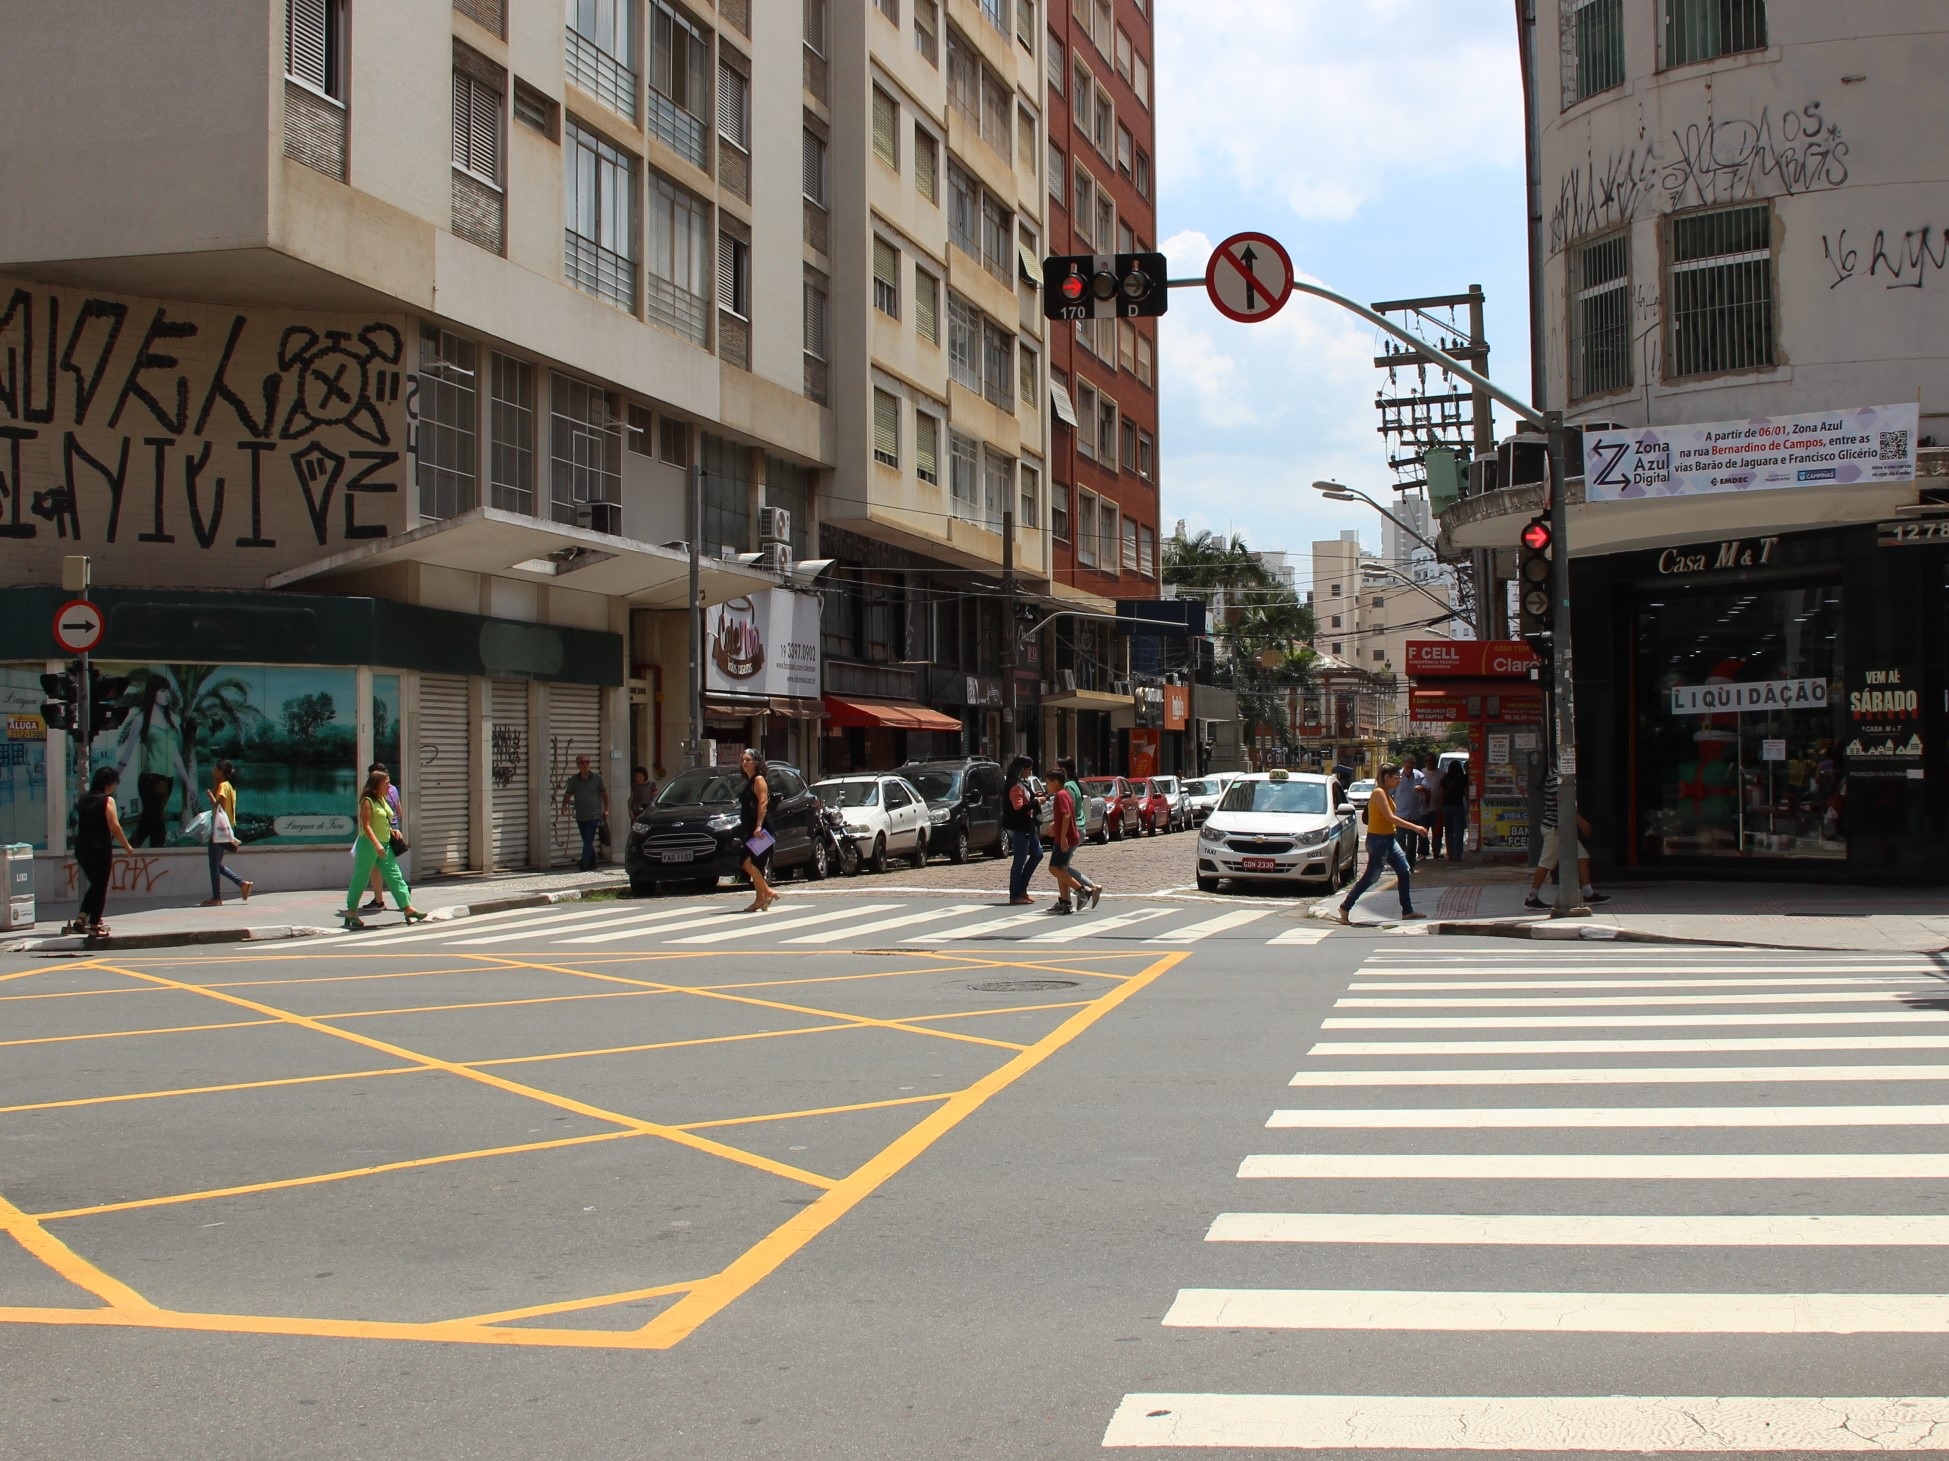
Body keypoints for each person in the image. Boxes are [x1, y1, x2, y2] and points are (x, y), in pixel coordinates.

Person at [1336, 763, 1427, 925]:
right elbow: (1390, 818)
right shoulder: (1378, 793)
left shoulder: (1387, 793)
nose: (1399, 780)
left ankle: (1407, 910)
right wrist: (1415, 827)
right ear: (1387, 777)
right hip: (1378, 840)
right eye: (1396, 778)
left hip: (1389, 839)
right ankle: (1345, 906)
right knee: (1371, 877)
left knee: (1404, 870)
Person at [342, 768, 424, 930]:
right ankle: (351, 912)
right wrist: (376, 844)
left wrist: (393, 830)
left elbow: (388, 819)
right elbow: (366, 825)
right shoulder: (367, 801)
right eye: (386, 783)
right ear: (377, 784)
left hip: (385, 843)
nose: (389, 785)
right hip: (369, 844)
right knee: (361, 877)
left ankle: (407, 908)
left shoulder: (382, 799)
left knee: (395, 876)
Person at [116, 679, 193, 848]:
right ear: (153, 693)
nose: (166, 695)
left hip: (168, 779)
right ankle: (145, 856)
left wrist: (188, 781)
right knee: (156, 821)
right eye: (162, 691)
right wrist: (116, 777)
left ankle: (131, 854)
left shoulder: (172, 720)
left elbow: (174, 754)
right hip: (151, 778)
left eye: (167, 691)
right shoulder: (141, 719)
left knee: (149, 822)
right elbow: (128, 750)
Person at [1525, 767, 1612, 909]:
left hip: (1564, 829)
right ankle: (1531, 898)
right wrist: (1581, 822)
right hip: (1555, 829)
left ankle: (1588, 893)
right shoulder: (1555, 775)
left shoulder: (1564, 774)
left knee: (1582, 857)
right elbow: (1562, 802)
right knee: (1546, 864)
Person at [70, 765, 135, 939]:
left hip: (82, 848)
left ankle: (82, 918)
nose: (115, 786)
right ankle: (94, 925)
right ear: (109, 783)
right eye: (115, 782)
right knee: (100, 887)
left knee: (96, 885)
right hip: (100, 848)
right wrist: (127, 845)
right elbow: (114, 825)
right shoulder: (107, 800)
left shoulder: (83, 799)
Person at [1047, 757, 1103, 913]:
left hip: (1072, 831)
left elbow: (1066, 812)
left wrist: (1061, 832)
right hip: (1073, 830)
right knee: (1062, 868)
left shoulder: (1067, 789)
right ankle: (1066, 901)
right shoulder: (1071, 786)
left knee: (1057, 868)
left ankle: (1084, 890)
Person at [202, 759, 252, 906]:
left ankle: (217, 897)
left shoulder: (223, 786)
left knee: (214, 865)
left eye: (215, 770)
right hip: (226, 828)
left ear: (221, 772)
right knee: (217, 864)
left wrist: (212, 796)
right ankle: (242, 883)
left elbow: (220, 809)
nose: (213, 772)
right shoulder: (229, 786)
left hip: (220, 830)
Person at [737, 749, 778, 913]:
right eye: (743, 760)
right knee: (756, 864)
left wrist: (759, 826)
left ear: (756, 762)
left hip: (762, 831)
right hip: (752, 830)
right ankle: (760, 899)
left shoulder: (759, 779)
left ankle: (767, 892)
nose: (744, 763)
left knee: (745, 862)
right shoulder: (749, 780)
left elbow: (762, 803)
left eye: (748, 760)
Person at [362, 761, 403, 913]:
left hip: (382, 831)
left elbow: (368, 822)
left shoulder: (375, 794)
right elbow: (399, 811)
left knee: (379, 867)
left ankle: (380, 899)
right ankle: (399, 897)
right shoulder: (393, 789)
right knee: (390, 867)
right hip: (393, 828)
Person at [1002, 755, 1044, 905]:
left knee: (1037, 854)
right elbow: (1018, 807)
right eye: (1028, 770)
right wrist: (1035, 802)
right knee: (1019, 860)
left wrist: (1036, 797)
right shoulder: (1014, 784)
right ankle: (1015, 894)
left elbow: (1028, 798)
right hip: (1018, 826)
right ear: (1022, 769)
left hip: (1027, 825)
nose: (1029, 773)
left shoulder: (1022, 783)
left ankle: (1022, 889)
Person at [560, 754, 610, 871]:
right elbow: (568, 794)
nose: (585, 764)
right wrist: (564, 805)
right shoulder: (574, 780)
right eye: (582, 762)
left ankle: (584, 861)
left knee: (588, 838)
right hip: (581, 815)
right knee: (586, 840)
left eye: (587, 762)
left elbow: (604, 794)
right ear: (578, 765)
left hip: (594, 814)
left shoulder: (597, 778)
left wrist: (606, 809)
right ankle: (593, 862)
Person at [1393, 755, 1430, 867]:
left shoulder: (1419, 776)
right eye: (1406, 767)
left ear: (1414, 766)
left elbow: (1427, 790)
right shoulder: (1396, 776)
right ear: (1403, 765)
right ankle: (1399, 862)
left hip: (1414, 814)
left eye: (1410, 767)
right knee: (1399, 839)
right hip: (1400, 813)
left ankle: (1410, 863)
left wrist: (1421, 788)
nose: (1408, 769)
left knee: (1412, 840)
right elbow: (1389, 793)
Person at [1434, 760, 1469, 860]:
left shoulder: (1444, 779)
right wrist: (1470, 805)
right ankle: (1457, 855)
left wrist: (1439, 808)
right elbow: (1466, 793)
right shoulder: (1462, 779)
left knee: (1448, 831)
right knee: (1458, 832)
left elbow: (1441, 795)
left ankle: (1450, 853)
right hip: (1457, 806)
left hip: (1446, 807)